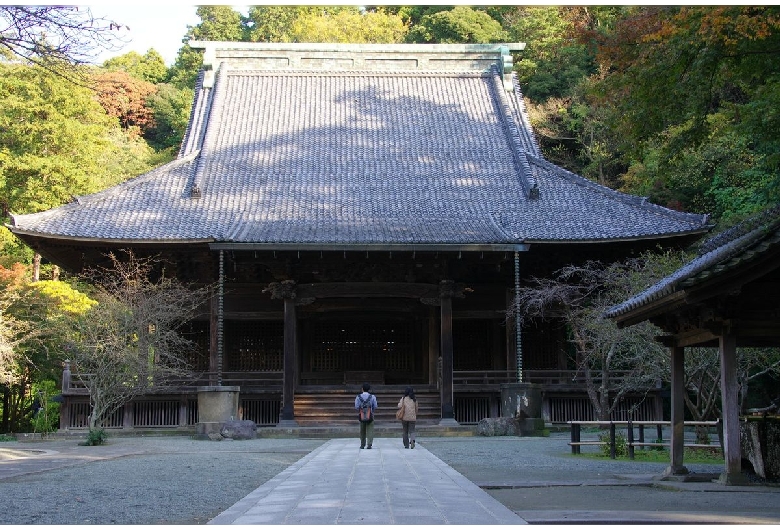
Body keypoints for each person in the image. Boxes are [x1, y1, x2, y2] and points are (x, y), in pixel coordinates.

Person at [355, 382, 378, 449]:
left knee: (362, 430)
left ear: (362, 389)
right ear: (369, 389)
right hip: (370, 415)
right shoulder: (372, 397)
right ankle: (369, 444)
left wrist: (361, 410)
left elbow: (356, 406)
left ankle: (362, 444)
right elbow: (375, 406)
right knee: (370, 429)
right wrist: (371, 411)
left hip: (361, 415)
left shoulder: (358, 397)